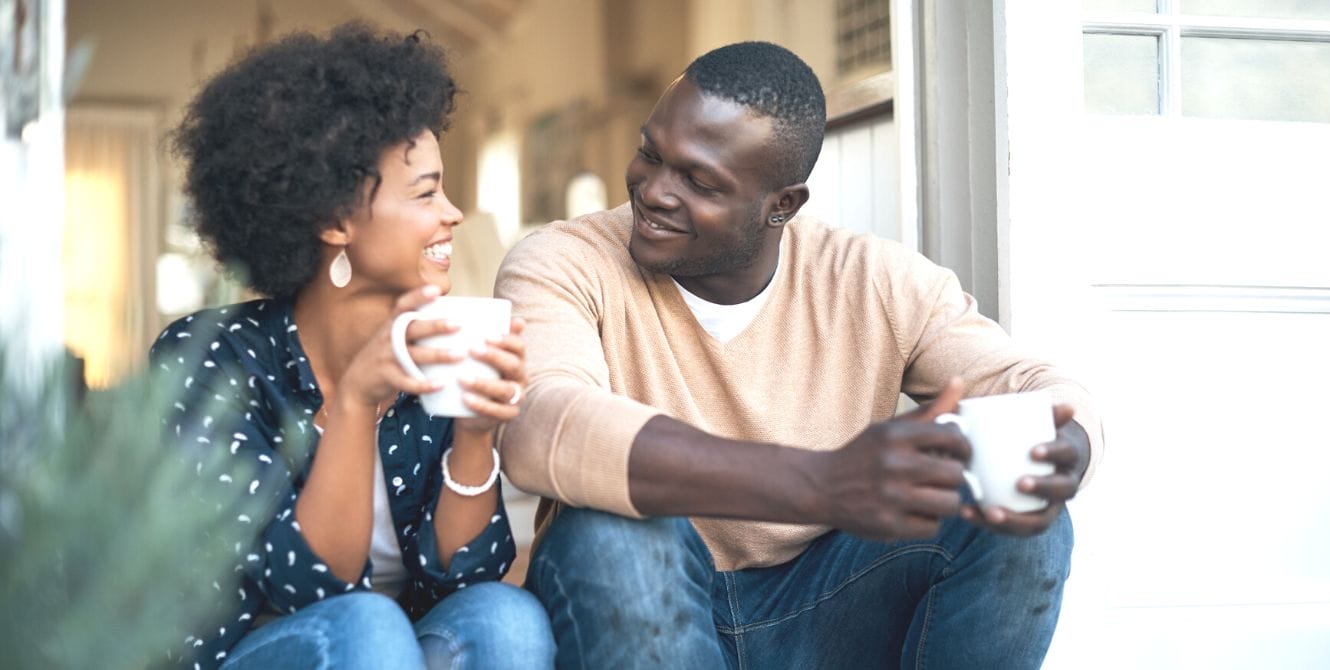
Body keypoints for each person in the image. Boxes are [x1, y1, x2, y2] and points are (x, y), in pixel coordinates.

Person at [494, 41, 1104, 669]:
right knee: (610, 532)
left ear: (781, 205)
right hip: (645, 598)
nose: (654, 191)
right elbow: (541, 425)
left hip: (827, 607)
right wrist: (823, 483)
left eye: (699, 181)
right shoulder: (564, 260)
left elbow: (1028, 381)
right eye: (651, 153)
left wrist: (1065, 444)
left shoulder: (874, 279)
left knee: (1024, 521)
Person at [150, 24, 555, 670]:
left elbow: (463, 580)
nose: (452, 214)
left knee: (508, 619)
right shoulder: (212, 359)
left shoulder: (434, 350)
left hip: (392, 645)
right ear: (334, 221)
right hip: (261, 650)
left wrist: (476, 435)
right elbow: (310, 586)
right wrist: (357, 403)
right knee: (366, 628)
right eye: (426, 192)